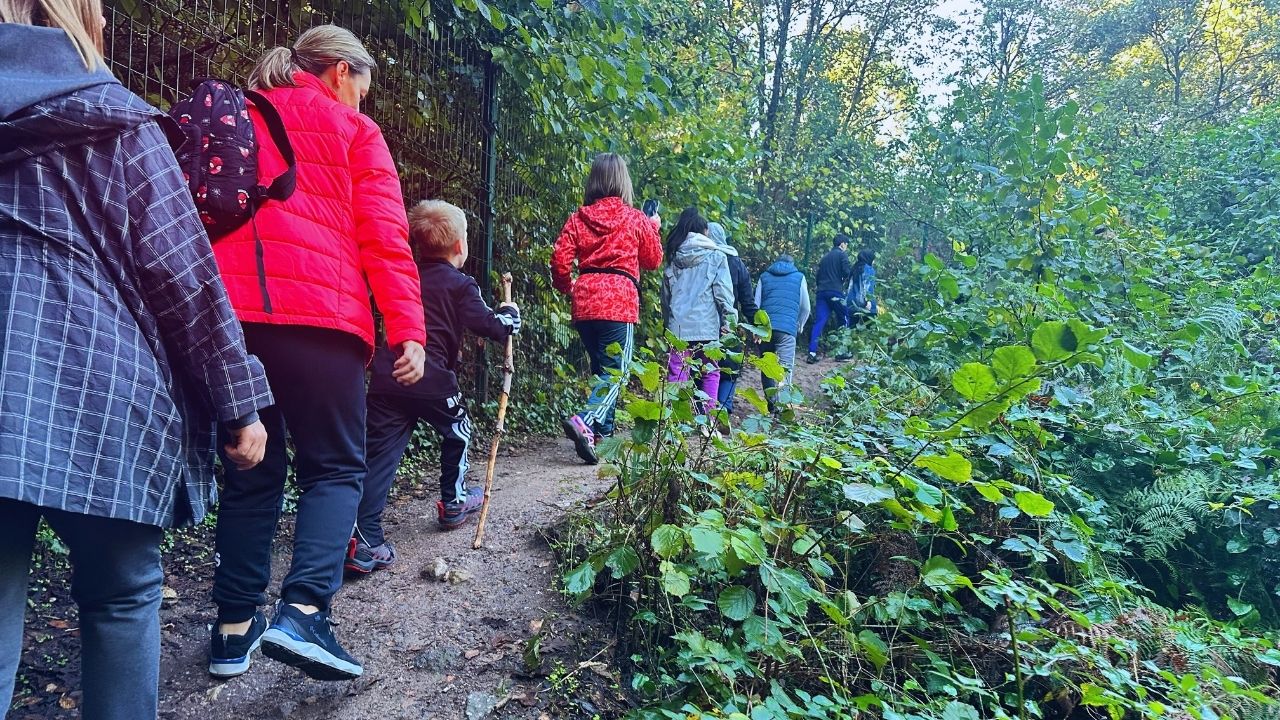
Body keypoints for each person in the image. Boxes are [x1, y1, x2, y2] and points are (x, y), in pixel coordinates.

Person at [0, 3, 273, 717]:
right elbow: (182, 275)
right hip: (98, 381)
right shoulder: (114, 119)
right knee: (121, 594)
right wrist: (238, 403)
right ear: (77, 16)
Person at [206, 25, 427, 682]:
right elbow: (384, 237)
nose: (362, 99)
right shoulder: (353, 130)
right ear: (340, 71)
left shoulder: (238, 112)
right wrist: (407, 328)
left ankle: (233, 630)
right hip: (321, 318)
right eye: (362, 86)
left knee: (251, 471)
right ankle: (303, 612)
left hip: (233, 320)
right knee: (334, 469)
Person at [348, 200, 521, 574]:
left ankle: (363, 538)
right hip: (431, 379)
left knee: (379, 454)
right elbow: (490, 326)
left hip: (389, 377)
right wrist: (510, 317)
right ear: (461, 245)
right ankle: (453, 501)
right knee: (458, 429)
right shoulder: (461, 284)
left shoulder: (404, 274)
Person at [551, 153, 662, 465]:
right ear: (623, 181)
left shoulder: (579, 218)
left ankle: (601, 438)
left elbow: (559, 260)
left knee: (603, 371)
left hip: (586, 299)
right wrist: (653, 228)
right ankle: (585, 420)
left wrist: (568, 287)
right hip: (618, 301)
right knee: (618, 372)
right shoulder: (635, 218)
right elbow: (653, 260)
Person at [661, 208, 737, 414]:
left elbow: (666, 299)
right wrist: (729, 323)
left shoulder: (674, 259)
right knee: (710, 372)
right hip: (707, 326)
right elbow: (724, 294)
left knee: (677, 374)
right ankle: (708, 420)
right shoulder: (717, 256)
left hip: (678, 328)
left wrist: (667, 326)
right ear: (704, 231)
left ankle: (675, 421)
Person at [707, 221, 758, 413]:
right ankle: (724, 407)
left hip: (703, 322)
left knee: (705, 365)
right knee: (730, 363)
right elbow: (747, 301)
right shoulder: (737, 263)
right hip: (728, 322)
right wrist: (757, 325)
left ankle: (705, 408)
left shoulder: (702, 259)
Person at [755, 254, 811, 414]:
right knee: (785, 368)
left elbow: (756, 304)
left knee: (766, 366)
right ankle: (782, 409)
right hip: (787, 329)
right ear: (792, 263)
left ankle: (771, 404)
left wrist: (757, 328)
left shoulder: (764, 276)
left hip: (765, 329)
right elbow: (806, 307)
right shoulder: (799, 277)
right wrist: (799, 325)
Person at [807, 234, 853, 363]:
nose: (846, 247)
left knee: (820, 321)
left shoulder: (825, 257)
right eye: (846, 244)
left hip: (822, 292)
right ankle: (842, 352)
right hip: (835, 291)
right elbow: (847, 272)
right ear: (842, 244)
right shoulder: (842, 255)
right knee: (844, 318)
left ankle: (811, 352)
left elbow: (818, 276)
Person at [846, 248, 877, 325]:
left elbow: (849, 287)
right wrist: (868, 301)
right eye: (873, 259)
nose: (874, 262)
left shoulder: (854, 268)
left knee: (852, 328)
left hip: (852, 304)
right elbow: (867, 285)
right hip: (865, 305)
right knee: (869, 329)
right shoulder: (869, 269)